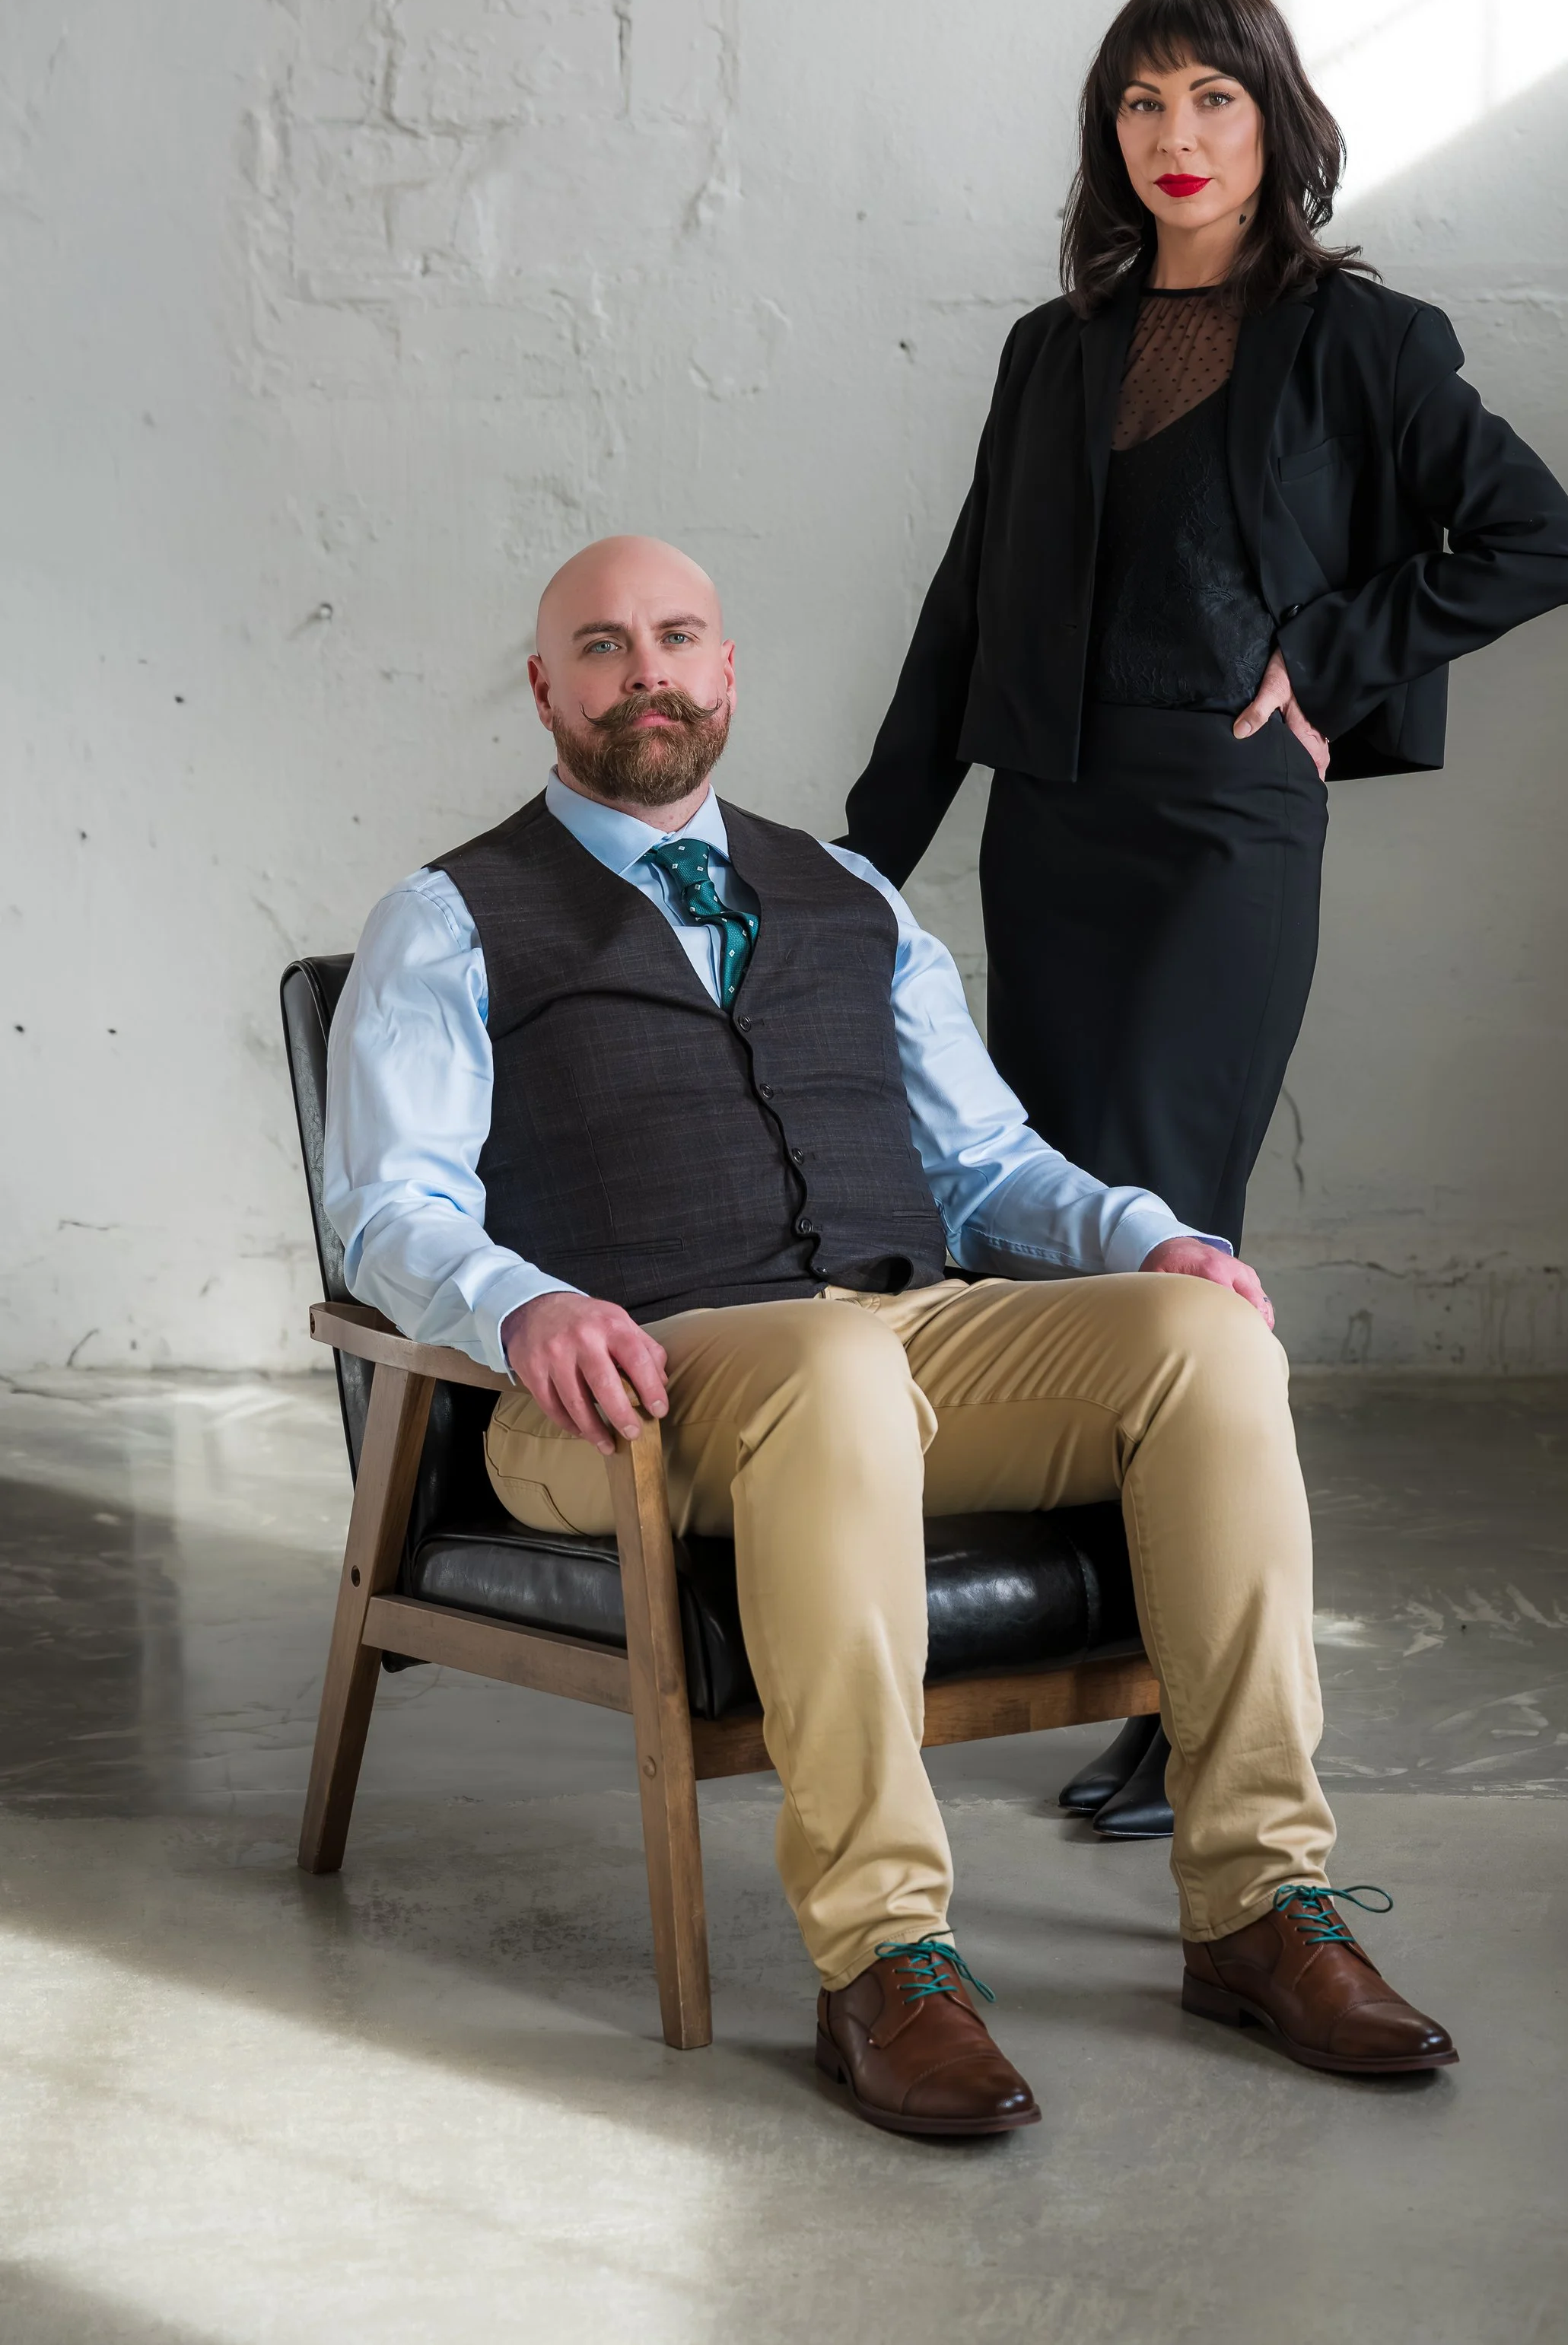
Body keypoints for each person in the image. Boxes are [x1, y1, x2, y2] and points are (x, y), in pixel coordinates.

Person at [325, 532, 1458, 2142]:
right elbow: (385, 1208)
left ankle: (1257, 1903)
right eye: (598, 646)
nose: (642, 669)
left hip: (889, 1343)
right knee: (837, 1365)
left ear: (725, 675)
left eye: (675, 638)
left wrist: (1152, 1236)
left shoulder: (847, 893)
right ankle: (885, 1959)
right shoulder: (450, 920)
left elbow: (985, 1163)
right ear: (542, 689)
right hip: (613, 1393)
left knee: (1197, 1345)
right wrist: (527, 1304)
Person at [843, 0, 1568, 1839]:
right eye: (1137, 108)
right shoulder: (1054, 348)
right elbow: (964, 611)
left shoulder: (1360, 339)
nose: (1172, 142)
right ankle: (1134, 1664)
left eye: (1209, 102)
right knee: (1068, 1237)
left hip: (1218, 836)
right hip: (1054, 829)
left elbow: (1535, 541)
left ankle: (1202, 1698)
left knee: (1172, 1236)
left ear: (1273, 121)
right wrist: (859, 859)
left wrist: (1334, 658)